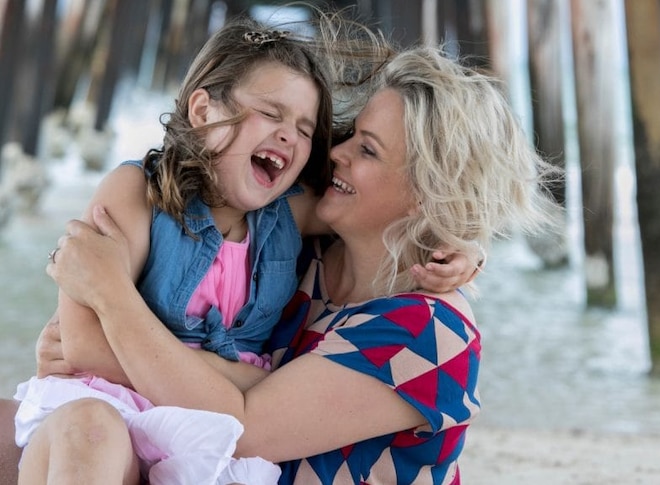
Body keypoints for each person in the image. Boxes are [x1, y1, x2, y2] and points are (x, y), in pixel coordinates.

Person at [35, 46, 561, 484]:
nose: (335, 153)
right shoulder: (299, 258)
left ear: (426, 195)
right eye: (349, 134)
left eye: (368, 150)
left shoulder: (430, 336)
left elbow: (240, 424)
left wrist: (111, 298)